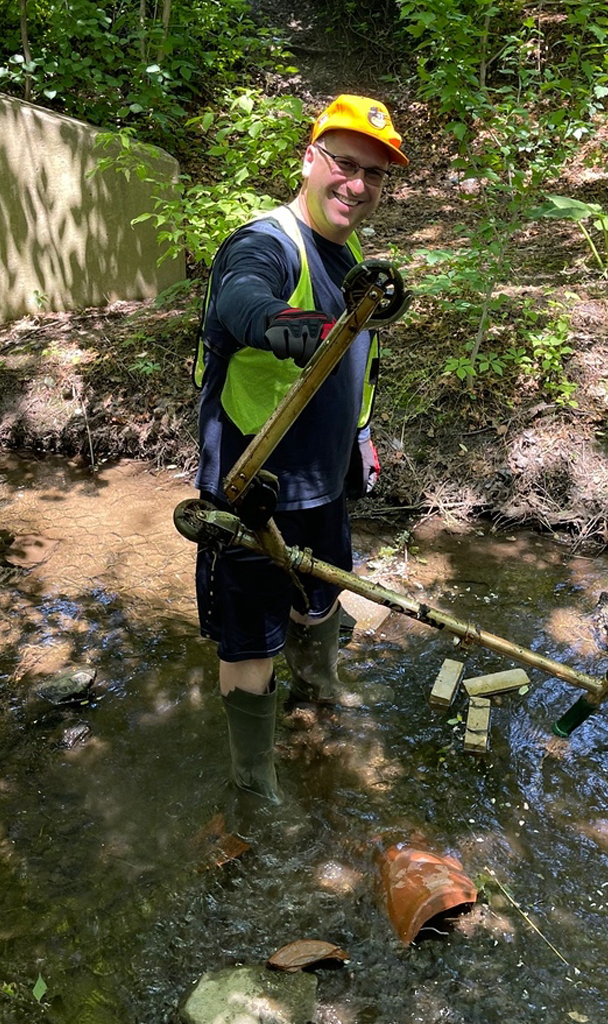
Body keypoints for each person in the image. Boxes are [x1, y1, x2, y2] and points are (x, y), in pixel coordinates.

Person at [192, 94, 408, 804]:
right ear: (309, 159)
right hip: (253, 486)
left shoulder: (348, 258)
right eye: (344, 164)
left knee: (323, 597)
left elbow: (355, 366)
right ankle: (253, 783)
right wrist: (279, 323)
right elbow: (240, 297)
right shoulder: (269, 242)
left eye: (374, 174)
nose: (357, 184)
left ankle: (319, 691)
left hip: (323, 482)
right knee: (250, 640)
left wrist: (362, 437)